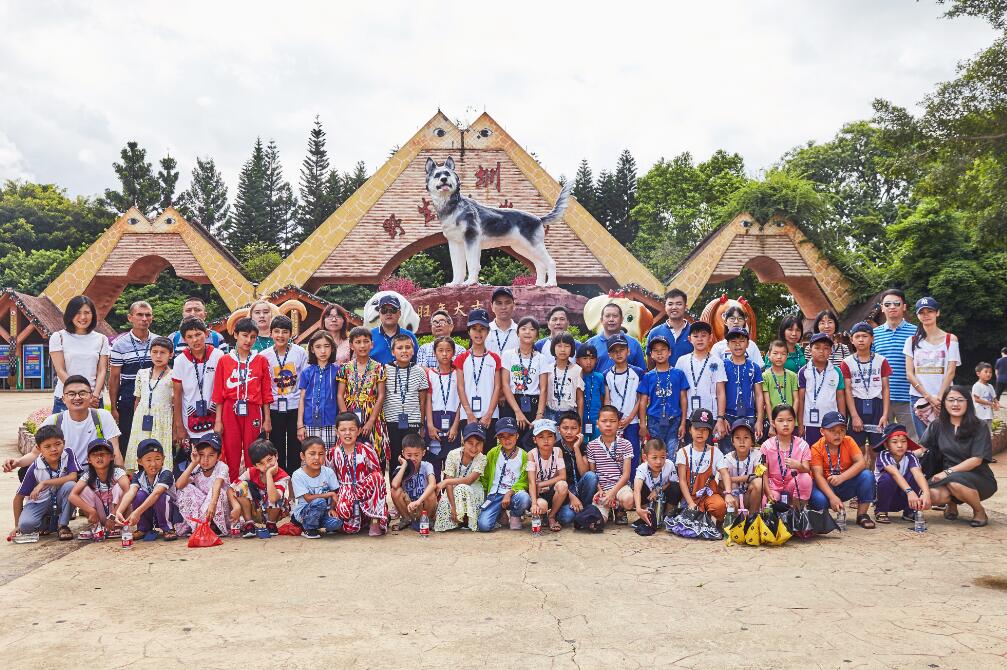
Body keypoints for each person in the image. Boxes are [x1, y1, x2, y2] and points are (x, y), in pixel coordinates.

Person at [920, 386, 997, 527]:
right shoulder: (937, 424)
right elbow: (922, 449)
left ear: (968, 402)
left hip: (977, 478)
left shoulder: (979, 426)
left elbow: (977, 459)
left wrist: (948, 472)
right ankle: (951, 504)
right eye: (951, 400)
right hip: (945, 477)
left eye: (960, 400)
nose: (955, 404)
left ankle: (979, 511)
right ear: (944, 403)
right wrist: (897, 452)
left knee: (955, 482)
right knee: (932, 495)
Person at [212, 317, 274, 482]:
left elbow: (266, 392)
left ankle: (253, 487)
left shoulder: (261, 360)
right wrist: (218, 420)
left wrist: (267, 419)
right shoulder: (224, 360)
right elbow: (218, 392)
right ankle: (232, 486)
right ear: (235, 334)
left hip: (252, 408)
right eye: (245, 335)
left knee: (253, 450)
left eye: (253, 337)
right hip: (229, 408)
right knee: (230, 449)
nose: (248, 340)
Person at [16, 375, 122, 470]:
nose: (77, 397)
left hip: (95, 473)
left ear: (91, 397)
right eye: (71, 394)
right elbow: (35, 453)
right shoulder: (54, 421)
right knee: (24, 471)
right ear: (63, 399)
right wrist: (17, 462)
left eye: (82, 393)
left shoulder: (102, 417)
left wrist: (122, 477)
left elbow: (115, 451)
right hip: (65, 474)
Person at [8, 425, 78, 542]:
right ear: (39, 448)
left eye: (58, 444)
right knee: (25, 526)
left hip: (59, 499)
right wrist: (17, 525)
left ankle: (63, 526)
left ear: (64, 443)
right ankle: (48, 523)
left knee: (71, 486)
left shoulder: (68, 454)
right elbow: (18, 498)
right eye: (47, 446)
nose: (54, 449)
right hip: (39, 502)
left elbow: (73, 476)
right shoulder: (35, 468)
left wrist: (45, 483)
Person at [808, 411, 877, 528]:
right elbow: (818, 476)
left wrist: (842, 477)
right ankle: (823, 517)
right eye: (832, 430)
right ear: (822, 431)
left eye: (842, 430)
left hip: (844, 483)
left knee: (867, 475)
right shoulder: (816, 448)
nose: (838, 434)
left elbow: (861, 463)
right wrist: (832, 497)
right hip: (825, 486)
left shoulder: (848, 441)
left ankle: (862, 515)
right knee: (820, 500)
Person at [904, 297, 961, 439]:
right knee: (925, 441)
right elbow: (909, 373)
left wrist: (939, 397)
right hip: (918, 398)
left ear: (937, 312)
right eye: (922, 312)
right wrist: (928, 397)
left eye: (930, 311)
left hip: (945, 397)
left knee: (947, 439)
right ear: (917, 315)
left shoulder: (950, 339)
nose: (926, 315)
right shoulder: (911, 341)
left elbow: (951, 371)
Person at [172, 317, 224, 468]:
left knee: (215, 461)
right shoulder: (180, 361)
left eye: (198, 334)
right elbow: (177, 395)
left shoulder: (218, 356)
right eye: (189, 336)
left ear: (206, 333)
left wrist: (220, 421)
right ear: (184, 339)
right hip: (190, 420)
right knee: (195, 462)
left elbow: (222, 391)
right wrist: (179, 426)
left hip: (215, 419)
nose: (195, 340)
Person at [326, 412, 388, 536]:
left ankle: (374, 521)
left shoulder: (366, 449)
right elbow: (329, 482)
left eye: (352, 429)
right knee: (346, 521)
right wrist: (331, 507)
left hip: (363, 489)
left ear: (359, 431)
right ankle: (357, 521)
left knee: (377, 477)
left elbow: (378, 479)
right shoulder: (332, 453)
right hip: (344, 491)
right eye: (343, 430)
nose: (347, 433)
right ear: (337, 432)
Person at [108, 301, 158, 453]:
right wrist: (114, 407)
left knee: (154, 440)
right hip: (128, 401)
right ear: (130, 318)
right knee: (128, 441)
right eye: (140, 315)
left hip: (155, 399)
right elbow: (114, 378)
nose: (144, 319)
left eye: (148, 315)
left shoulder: (159, 342)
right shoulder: (119, 345)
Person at [261, 315, 308, 473]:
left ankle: (295, 477)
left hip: (295, 405)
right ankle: (279, 477)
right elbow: (264, 385)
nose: (280, 335)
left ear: (291, 334)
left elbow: (304, 381)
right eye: (277, 331)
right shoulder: (264, 356)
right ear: (271, 333)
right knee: (276, 444)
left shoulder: (300, 352)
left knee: (296, 445)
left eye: (285, 332)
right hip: (274, 406)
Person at [49, 295, 109, 413]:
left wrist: (94, 395)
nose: (83, 317)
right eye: (78, 312)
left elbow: (102, 370)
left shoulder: (102, 339)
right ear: (70, 314)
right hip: (66, 399)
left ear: (93, 315)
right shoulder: (59, 337)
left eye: (87, 312)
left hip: (94, 399)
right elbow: (60, 370)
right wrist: (81, 394)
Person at [872, 288, 919, 438]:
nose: (892, 307)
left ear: (904, 307)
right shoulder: (874, 334)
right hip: (881, 398)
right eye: (887, 304)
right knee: (883, 440)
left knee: (913, 440)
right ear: (882, 308)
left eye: (896, 303)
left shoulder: (916, 332)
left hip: (908, 397)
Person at [840, 322, 892, 454]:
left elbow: (886, 388)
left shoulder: (881, 360)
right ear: (852, 340)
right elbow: (848, 390)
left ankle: (876, 468)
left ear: (872, 339)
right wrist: (854, 416)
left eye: (865, 336)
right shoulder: (846, 362)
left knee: (877, 449)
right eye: (857, 336)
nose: (861, 340)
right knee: (858, 450)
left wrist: (885, 415)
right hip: (857, 405)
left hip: (877, 405)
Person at [115, 439, 181, 540]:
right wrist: (119, 511)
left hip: (169, 512)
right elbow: (131, 492)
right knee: (139, 495)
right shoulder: (138, 475)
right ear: (140, 462)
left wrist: (137, 512)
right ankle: (143, 528)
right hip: (150, 511)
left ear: (163, 459)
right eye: (148, 460)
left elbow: (156, 494)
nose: (153, 464)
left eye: (157, 459)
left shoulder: (166, 473)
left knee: (161, 497)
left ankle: (168, 528)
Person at [337, 327, 387, 457]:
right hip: (350, 412)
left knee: (374, 453)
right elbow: (340, 395)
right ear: (351, 345)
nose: (362, 345)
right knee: (349, 453)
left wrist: (371, 421)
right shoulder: (344, 368)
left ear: (372, 344)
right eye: (358, 342)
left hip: (372, 413)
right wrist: (347, 420)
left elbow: (381, 395)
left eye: (366, 341)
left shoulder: (379, 368)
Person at [456, 309, 502, 449]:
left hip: (490, 415)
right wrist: (469, 414)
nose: (478, 333)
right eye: (474, 329)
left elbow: (497, 387)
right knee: (470, 452)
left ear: (487, 332)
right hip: (467, 415)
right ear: (469, 331)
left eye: (482, 329)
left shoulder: (494, 358)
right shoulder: (461, 358)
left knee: (488, 452)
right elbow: (460, 387)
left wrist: (489, 414)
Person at [126, 336, 174, 472]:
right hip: (142, 418)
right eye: (154, 352)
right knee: (140, 447)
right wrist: (135, 419)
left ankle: (161, 478)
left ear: (170, 355)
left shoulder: (173, 375)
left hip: (162, 420)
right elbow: (137, 399)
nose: (158, 356)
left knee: (158, 450)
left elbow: (175, 404)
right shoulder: (142, 373)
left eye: (162, 352)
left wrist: (175, 428)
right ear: (150, 353)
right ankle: (137, 477)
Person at [674, 321, 728, 440]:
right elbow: (677, 390)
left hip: (710, 415)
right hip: (688, 416)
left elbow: (720, 392)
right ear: (690, 339)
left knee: (708, 448)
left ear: (710, 338)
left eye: (703, 335)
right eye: (696, 336)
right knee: (689, 448)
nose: (700, 339)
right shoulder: (682, 361)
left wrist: (720, 418)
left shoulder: (717, 362)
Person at [228, 438, 291, 538]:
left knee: (274, 492)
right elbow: (231, 489)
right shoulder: (251, 472)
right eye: (261, 463)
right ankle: (249, 523)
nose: (267, 465)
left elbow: (273, 498)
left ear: (276, 456)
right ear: (255, 466)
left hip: (276, 512)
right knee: (241, 486)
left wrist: (269, 475)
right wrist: (236, 507)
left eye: (269, 460)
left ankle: (271, 524)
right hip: (256, 509)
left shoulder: (283, 476)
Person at [501, 316, 547, 449]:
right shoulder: (508, 355)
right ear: (517, 333)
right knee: (511, 443)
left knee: (531, 445)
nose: (528, 332)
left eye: (532, 329)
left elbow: (543, 388)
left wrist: (539, 416)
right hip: (512, 403)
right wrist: (517, 412)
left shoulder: (541, 358)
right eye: (524, 328)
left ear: (537, 335)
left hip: (533, 404)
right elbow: (505, 384)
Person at [382, 334, 429, 466]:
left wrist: (421, 425)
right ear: (393, 352)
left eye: (408, 347)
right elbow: (381, 396)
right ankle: (395, 480)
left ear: (413, 351)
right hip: (391, 421)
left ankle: (412, 480)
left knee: (412, 457)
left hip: (413, 421)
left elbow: (422, 401)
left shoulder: (419, 371)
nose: (404, 351)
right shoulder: (384, 370)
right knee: (394, 457)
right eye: (400, 348)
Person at [68, 438, 129, 540]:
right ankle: (96, 526)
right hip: (98, 514)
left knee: (120, 488)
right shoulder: (88, 475)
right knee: (82, 490)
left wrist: (113, 515)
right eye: (94, 454)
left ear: (112, 457)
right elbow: (72, 496)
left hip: (116, 514)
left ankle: (118, 526)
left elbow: (128, 490)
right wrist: (91, 511)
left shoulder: (118, 472)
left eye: (103, 454)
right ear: (89, 460)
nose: (99, 457)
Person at [477, 417, 531, 531]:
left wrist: (510, 493)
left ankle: (515, 515)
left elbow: (525, 480)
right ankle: (500, 512)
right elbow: (485, 476)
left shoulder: (524, 455)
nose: (507, 440)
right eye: (502, 436)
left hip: (514, 494)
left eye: (510, 435)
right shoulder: (492, 453)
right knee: (484, 526)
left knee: (524, 498)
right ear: (498, 438)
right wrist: (486, 496)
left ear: (517, 435)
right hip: (495, 495)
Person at [871, 424, 931, 524]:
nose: (900, 445)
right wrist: (909, 491)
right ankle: (881, 510)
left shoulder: (910, 456)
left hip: (907, 498)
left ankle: (909, 511)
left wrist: (926, 493)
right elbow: (895, 474)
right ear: (886, 445)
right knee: (887, 477)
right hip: (886, 497)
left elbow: (918, 473)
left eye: (903, 441)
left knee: (914, 476)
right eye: (894, 442)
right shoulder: (883, 455)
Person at [674, 408, 726, 523]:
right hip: (689, 496)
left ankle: (710, 515)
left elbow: (725, 473)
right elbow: (682, 480)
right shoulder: (683, 452)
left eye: (704, 429)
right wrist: (690, 502)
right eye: (696, 428)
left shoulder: (716, 452)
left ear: (709, 432)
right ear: (690, 430)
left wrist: (729, 493)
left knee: (720, 506)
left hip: (708, 495)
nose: (700, 432)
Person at [434, 423, 488, 532]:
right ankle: (458, 519)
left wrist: (446, 482)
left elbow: (469, 480)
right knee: (446, 505)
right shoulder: (452, 454)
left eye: (478, 444)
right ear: (463, 440)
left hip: (473, 490)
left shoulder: (482, 458)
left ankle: (467, 519)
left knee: (462, 488)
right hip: (453, 489)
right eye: (470, 443)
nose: (474, 448)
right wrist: (453, 507)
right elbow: (449, 482)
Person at [586, 405, 635, 524]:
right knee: (597, 522)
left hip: (620, 487)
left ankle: (619, 509)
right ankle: (608, 509)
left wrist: (612, 493)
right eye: (604, 421)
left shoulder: (626, 444)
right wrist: (600, 490)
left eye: (612, 421)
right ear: (597, 423)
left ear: (618, 423)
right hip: (601, 490)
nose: (608, 424)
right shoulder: (591, 445)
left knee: (629, 501)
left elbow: (626, 474)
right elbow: (593, 473)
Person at [175, 433, 232, 536]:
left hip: (218, 506)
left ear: (219, 456)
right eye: (201, 455)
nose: (205, 459)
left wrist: (212, 504)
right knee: (185, 488)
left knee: (216, 491)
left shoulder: (222, 466)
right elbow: (179, 485)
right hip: (203, 507)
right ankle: (200, 526)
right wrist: (193, 463)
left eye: (211, 455)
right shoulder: (197, 468)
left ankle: (212, 526)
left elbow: (217, 485)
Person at [638, 335, 689, 450]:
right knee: (656, 452)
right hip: (654, 420)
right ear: (651, 354)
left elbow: (683, 399)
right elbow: (643, 402)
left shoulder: (678, 374)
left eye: (663, 350)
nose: (659, 353)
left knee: (672, 453)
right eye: (655, 350)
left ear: (669, 352)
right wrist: (642, 424)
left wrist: (683, 423)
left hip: (674, 419)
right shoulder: (648, 376)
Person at [603, 334, 645, 472]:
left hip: (632, 422)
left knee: (633, 454)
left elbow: (641, 399)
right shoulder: (606, 374)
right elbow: (607, 400)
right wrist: (611, 420)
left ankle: (633, 482)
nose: (619, 353)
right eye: (614, 351)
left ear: (628, 351)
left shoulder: (638, 372)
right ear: (610, 355)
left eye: (622, 349)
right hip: (614, 423)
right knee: (614, 455)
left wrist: (629, 418)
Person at [798, 332, 847, 446]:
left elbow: (840, 398)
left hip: (832, 423)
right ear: (810, 350)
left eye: (826, 348)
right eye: (817, 347)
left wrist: (842, 423)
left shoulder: (836, 372)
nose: (821, 351)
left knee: (831, 450)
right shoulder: (804, 371)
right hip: (809, 422)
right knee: (810, 451)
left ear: (831, 351)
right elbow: (801, 399)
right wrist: (800, 424)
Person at [760, 403, 813, 508]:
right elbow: (764, 474)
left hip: (792, 484)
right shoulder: (766, 446)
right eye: (780, 420)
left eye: (789, 420)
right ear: (773, 423)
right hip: (773, 486)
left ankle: (798, 512)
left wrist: (798, 466)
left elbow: (807, 469)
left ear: (794, 421)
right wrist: (768, 492)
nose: (785, 424)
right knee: (767, 505)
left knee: (805, 478)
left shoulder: (802, 445)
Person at [424, 336, 462, 479]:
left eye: (448, 350)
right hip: (434, 419)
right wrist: (429, 425)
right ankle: (435, 491)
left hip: (453, 419)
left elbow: (461, 402)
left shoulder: (459, 373)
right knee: (433, 460)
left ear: (454, 352)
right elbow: (428, 400)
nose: (444, 354)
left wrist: (455, 426)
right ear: (435, 353)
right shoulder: (430, 374)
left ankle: (448, 491)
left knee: (451, 462)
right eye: (440, 350)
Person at [290, 436, 342, 538]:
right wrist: (330, 494)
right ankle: (308, 528)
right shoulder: (298, 475)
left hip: (323, 512)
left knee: (336, 523)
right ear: (302, 456)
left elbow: (335, 492)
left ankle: (316, 525)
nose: (317, 458)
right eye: (312, 454)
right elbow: (308, 498)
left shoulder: (328, 472)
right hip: (304, 513)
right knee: (319, 502)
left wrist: (332, 508)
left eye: (321, 454)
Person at [720, 327, 764, 446]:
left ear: (748, 343)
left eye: (742, 341)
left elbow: (759, 395)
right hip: (728, 416)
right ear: (728, 345)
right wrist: (721, 417)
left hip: (748, 416)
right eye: (733, 341)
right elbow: (718, 393)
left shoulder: (754, 367)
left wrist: (759, 420)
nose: (738, 345)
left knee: (746, 450)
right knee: (727, 452)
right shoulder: (722, 365)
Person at [553, 411, 598, 526]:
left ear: (579, 430)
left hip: (581, 487)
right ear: (559, 429)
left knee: (591, 476)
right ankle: (570, 510)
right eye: (565, 428)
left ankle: (585, 509)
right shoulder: (555, 448)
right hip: (565, 491)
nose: (569, 432)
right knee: (566, 517)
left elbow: (584, 473)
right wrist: (572, 497)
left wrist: (576, 447)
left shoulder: (583, 446)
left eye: (573, 428)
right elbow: (556, 480)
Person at [526, 419, 567, 532]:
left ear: (555, 438)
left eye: (550, 436)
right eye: (541, 437)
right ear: (535, 440)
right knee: (541, 506)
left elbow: (563, 476)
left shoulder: (557, 451)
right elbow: (531, 482)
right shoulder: (531, 454)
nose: (546, 440)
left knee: (562, 485)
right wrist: (534, 503)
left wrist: (541, 484)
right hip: (537, 493)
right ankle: (542, 515)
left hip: (551, 490)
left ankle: (551, 516)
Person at [390, 434, 438, 531]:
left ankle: (427, 520)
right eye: (409, 455)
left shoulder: (427, 466)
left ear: (423, 453)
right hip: (408, 507)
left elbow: (433, 484)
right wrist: (404, 465)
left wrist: (418, 501)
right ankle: (406, 519)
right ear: (403, 454)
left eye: (416, 455)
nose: (413, 458)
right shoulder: (400, 468)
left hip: (423, 506)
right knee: (395, 491)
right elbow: (394, 485)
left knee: (431, 493)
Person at [633, 438, 681, 530]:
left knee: (676, 486)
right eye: (654, 458)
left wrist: (658, 489)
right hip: (648, 500)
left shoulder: (669, 465)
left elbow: (673, 482)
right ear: (645, 458)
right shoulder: (642, 468)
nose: (659, 462)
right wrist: (638, 509)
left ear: (666, 456)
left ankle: (668, 516)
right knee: (640, 487)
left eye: (662, 457)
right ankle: (646, 515)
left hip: (664, 499)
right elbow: (637, 490)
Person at [586, 302, 647, 374]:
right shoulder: (590, 344)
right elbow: (584, 373)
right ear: (601, 320)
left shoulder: (634, 344)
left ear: (622, 319)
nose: (611, 319)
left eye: (615, 316)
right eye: (607, 316)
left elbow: (642, 373)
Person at [718, 419, 763, 514]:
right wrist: (743, 479)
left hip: (749, 495)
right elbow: (721, 484)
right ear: (732, 441)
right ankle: (734, 520)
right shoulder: (727, 459)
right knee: (732, 486)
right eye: (737, 438)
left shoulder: (757, 454)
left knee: (759, 482)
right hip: (733, 496)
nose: (742, 441)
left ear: (752, 441)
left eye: (746, 437)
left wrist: (731, 479)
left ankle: (752, 517)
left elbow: (757, 475)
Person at [645, 289, 693, 367]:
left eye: (679, 304)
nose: (674, 307)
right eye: (670, 304)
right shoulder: (655, 333)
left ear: (685, 307)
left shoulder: (694, 332)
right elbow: (650, 362)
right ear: (665, 307)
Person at [544, 333, 584, 423]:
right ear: (553, 347)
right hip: (550, 414)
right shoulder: (547, 369)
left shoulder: (577, 370)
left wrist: (580, 421)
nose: (563, 350)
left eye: (567, 346)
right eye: (559, 346)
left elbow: (580, 398)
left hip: (570, 415)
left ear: (572, 348)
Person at [369, 294, 418, 366]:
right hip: (375, 373)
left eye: (393, 310)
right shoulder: (369, 336)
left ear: (399, 313)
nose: (388, 313)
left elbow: (416, 362)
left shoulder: (409, 336)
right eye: (384, 310)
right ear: (379, 313)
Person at [762, 340, 800, 426]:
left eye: (783, 354)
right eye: (775, 353)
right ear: (769, 355)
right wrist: (771, 422)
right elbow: (767, 402)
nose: (779, 357)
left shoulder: (793, 376)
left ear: (787, 356)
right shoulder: (765, 376)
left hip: (791, 422)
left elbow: (796, 400)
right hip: (774, 421)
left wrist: (792, 419)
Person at [577, 344, 605, 443]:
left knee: (597, 445)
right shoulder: (575, 376)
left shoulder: (599, 377)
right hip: (580, 421)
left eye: (592, 358)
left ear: (596, 360)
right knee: (581, 445)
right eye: (585, 358)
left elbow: (602, 398)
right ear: (578, 360)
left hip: (596, 420)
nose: (589, 362)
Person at [486, 287, 519, 356]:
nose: (503, 307)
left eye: (507, 303)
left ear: (514, 305)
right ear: (492, 306)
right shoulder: (485, 331)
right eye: (499, 303)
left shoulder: (520, 332)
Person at [972, 362, 999, 434]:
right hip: (980, 415)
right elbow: (976, 399)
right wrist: (990, 403)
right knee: (980, 433)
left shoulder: (990, 386)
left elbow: (994, 398)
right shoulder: (977, 386)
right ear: (978, 374)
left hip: (989, 414)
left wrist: (997, 403)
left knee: (988, 433)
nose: (988, 374)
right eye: (986, 372)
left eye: (990, 372)